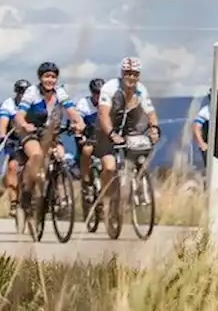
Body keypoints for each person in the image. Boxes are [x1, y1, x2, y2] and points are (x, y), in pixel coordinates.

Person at [95, 57, 161, 211]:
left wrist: (154, 129)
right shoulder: (110, 88)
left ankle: (137, 188)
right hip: (107, 130)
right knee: (110, 167)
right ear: (122, 73)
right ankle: (104, 197)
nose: (131, 77)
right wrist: (111, 134)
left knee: (140, 154)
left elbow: (150, 113)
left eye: (135, 74)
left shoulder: (141, 89)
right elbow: (103, 115)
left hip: (129, 130)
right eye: (127, 73)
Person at [14, 62, 85, 203]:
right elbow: (19, 115)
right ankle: (27, 190)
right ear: (40, 78)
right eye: (47, 76)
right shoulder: (32, 92)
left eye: (53, 77)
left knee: (61, 156)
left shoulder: (60, 92)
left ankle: (56, 194)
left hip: (52, 134)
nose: (50, 80)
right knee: (36, 155)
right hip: (32, 132)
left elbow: (71, 110)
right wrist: (25, 125)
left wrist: (79, 122)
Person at [0, 79, 30, 212]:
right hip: (13, 139)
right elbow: (3, 122)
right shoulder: (9, 104)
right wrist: (3, 137)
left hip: (29, 137)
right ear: (16, 93)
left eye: (25, 92)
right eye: (20, 92)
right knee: (12, 166)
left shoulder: (32, 103)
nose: (23, 95)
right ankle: (14, 202)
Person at [73, 78, 105, 184]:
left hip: (104, 139)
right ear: (92, 92)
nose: (99, 95)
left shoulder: (108, 103)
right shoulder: (83, 104)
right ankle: (86, 180)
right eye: (96, 93)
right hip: (88, 137)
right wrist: (80, 132)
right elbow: (78, 121)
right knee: (87, 150)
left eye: (102, 93)